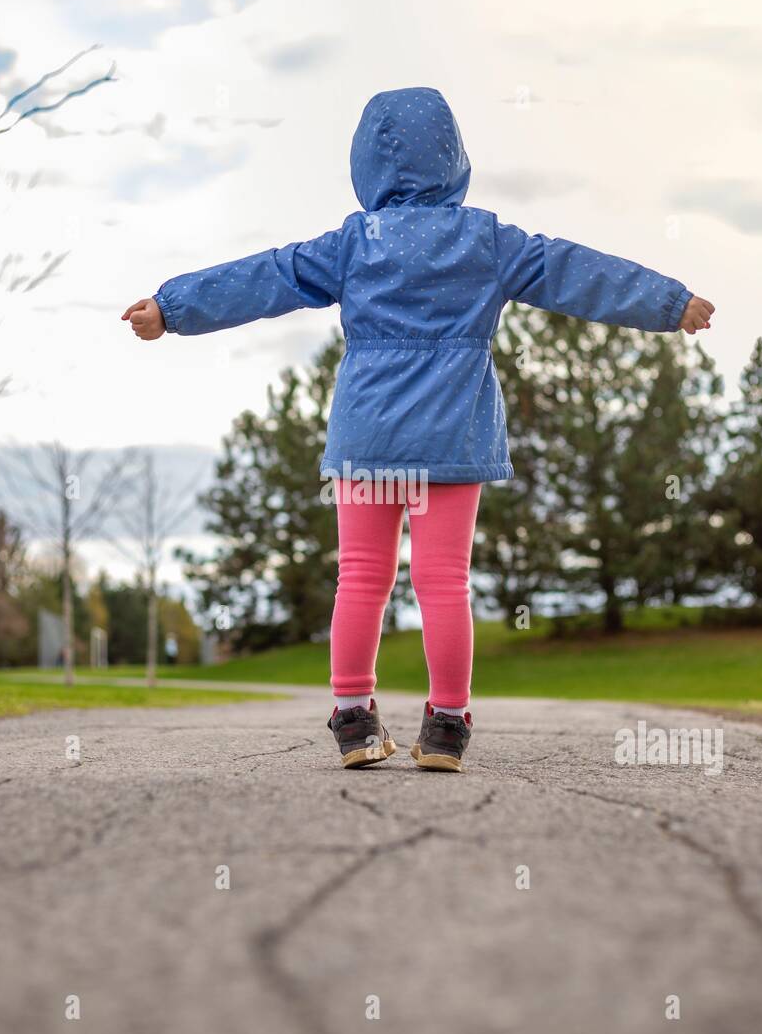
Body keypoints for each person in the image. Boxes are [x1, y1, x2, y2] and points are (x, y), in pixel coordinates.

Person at [122, 87, 713, 772]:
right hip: (452, 439)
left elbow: (265, 275)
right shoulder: (489, 241)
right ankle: (447, 727)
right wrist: (671, 303)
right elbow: (575, 271)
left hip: (369, 440)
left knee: (362, 579)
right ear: (455, 159)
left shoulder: (352, 243)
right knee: (443, 582)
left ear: (365, 166)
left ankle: (352, 719)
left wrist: (172, 307)